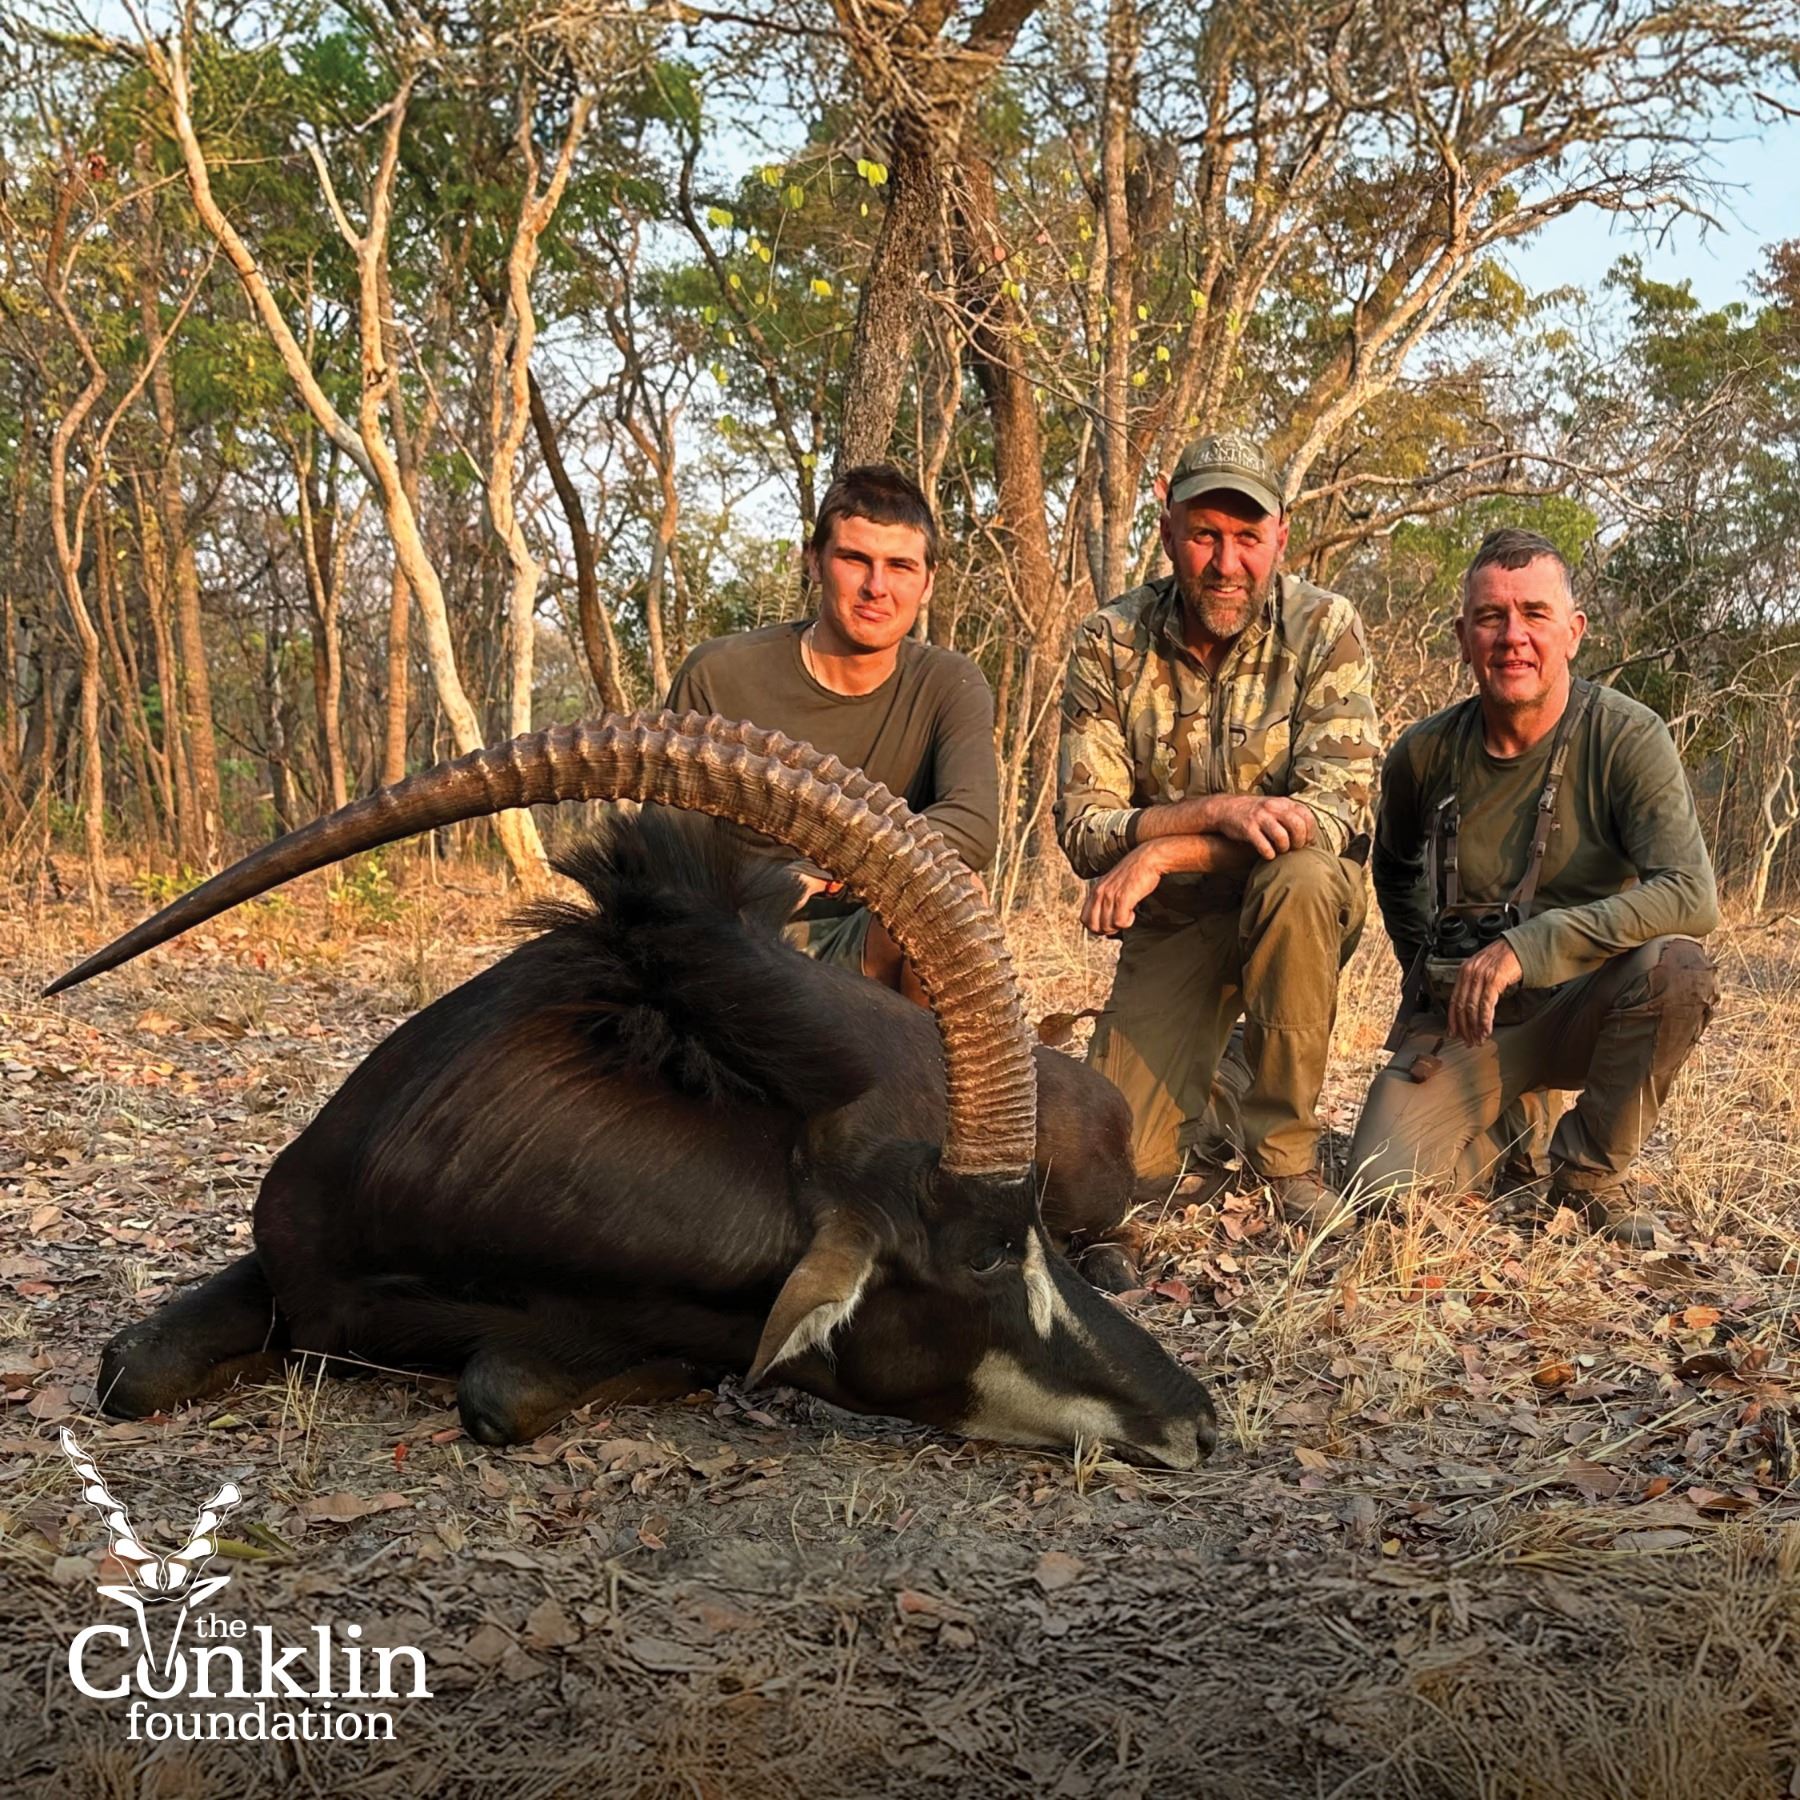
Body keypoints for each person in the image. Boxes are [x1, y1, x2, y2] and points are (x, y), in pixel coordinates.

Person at [1346, 527, 1719, 1245]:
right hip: (1469, 1021)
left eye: (1535, 614)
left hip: (1586, 1005)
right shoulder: (1423, 753)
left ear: (1573, 632)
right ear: (1463, 637)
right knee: (1381, 1194)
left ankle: (1589, 1175)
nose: (1512, 636)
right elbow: (1392, 867)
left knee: (1678, 969)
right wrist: (1430, 967)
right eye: (1491, 616)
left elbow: (1690, 893)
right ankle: (1513, 1127)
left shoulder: (1626, 736)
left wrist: (1529, 946)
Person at [1056, 432, 1381, 1225]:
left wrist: (1167, 849)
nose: (1226, 563)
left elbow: (1334, 815)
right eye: (1204, 535)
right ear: (1168, 531)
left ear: (1281, 538)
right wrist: (1213, 812)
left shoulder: (1325, 626)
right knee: (1120, 1166)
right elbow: (1085, 829)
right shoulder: (1109, 639)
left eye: (1247, 537)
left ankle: (1286, 1157)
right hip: (1177, 923)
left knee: (1299, 876)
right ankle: (1231, 1072)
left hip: (1293, 909)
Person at [667, 465, 997, 995]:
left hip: (867, 936)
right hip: (736, 941)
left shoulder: (949, 683)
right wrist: (767, 889)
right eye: (854, 559)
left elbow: (972, 824)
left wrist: (829, 868)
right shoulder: (717, 675)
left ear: (928, 582)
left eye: (900, 566)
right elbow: (668, 855)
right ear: (814, 561)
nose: (877, 588)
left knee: (956, 900)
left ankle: (922, 1055)